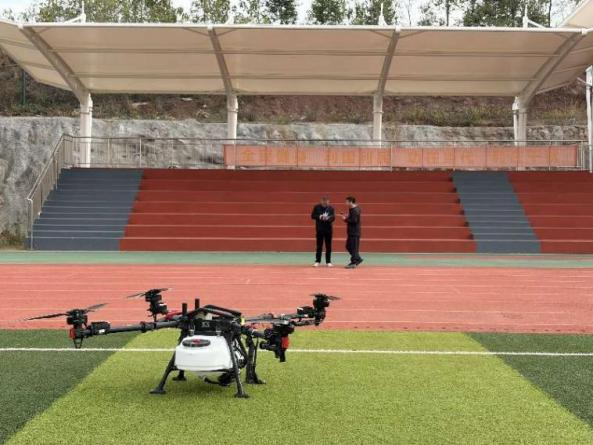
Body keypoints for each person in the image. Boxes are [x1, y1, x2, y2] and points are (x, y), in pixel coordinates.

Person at [310, 196, 335, 267]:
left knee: (328, 246)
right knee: (319, 246)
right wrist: (320, 217)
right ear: (321, 201)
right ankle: (317, 261)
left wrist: (328, 219)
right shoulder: (316, 207)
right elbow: (312, 216)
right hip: (319, 229)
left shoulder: (331, 208)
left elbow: (333, 218)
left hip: (328, 230)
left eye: (326, 202)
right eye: (324, 202)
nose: (325, 203)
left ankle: (328, 261)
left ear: (328, 202)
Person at [341, 196, 363, 269]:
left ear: (350, 201)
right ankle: (357, 259)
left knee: (353, 248)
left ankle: (354, 262)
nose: (345, 203)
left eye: (346, 201)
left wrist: (345, 219)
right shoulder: (353, 209)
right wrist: (348, 217)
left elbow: (354, 221)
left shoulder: (354, 210)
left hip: (354, 232)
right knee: (349, 246)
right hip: (352, 232)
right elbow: (353, 218)